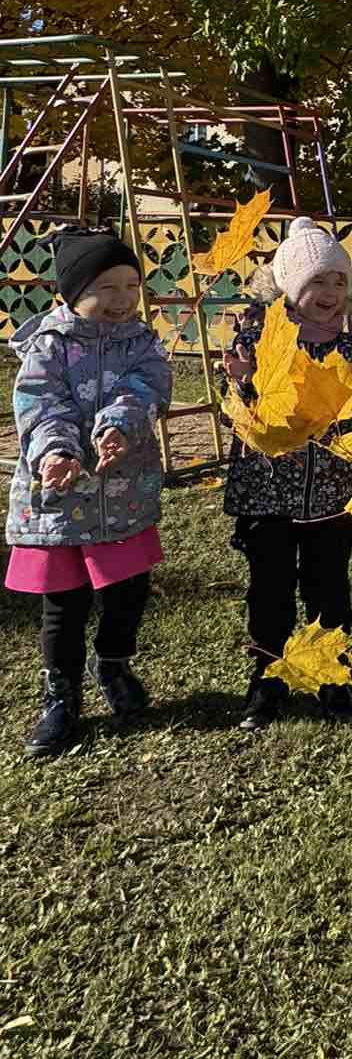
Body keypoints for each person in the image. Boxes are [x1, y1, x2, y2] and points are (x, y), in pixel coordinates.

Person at [220, 216, 352, 730]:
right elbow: (240, 415)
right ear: (289, 287)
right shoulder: (258, 342)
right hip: (266, 495)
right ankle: (268, 679)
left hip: (330, 496)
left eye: (338, 281)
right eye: (316, 282)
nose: (329, 292)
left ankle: (332, 677)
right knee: (270, 591)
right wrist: (241, 386)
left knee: (329, 590)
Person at [5, 228, 172, 757]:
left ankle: (115, 663)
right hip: (61, 500)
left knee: (128, 592)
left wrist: (119, 426)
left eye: (132, 285)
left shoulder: (143, 342)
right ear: (73, 293)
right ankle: (62, 694)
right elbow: (39, 404)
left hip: (122, 493)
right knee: (65, 605)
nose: (124, 300)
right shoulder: (48, 347)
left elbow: (148, 386)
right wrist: (56, 450)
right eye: (108, 287)